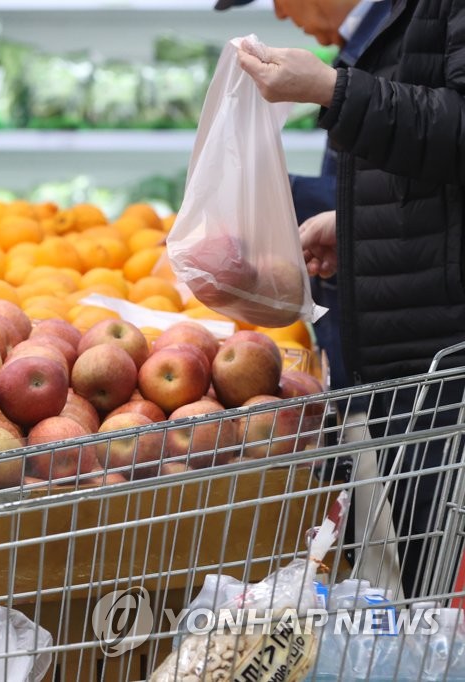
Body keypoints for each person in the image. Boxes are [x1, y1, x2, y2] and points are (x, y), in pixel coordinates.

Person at [238, 0, 465, 599]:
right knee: (424, 598)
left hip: (444, 358)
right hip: (415, 352)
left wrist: (330, 89)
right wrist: (358, 223)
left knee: (439, 602)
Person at [217, 0, 390, 391]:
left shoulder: (392, 39)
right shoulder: (364, 43)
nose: (280, 14)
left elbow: (411, 185)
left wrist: (286, 198)